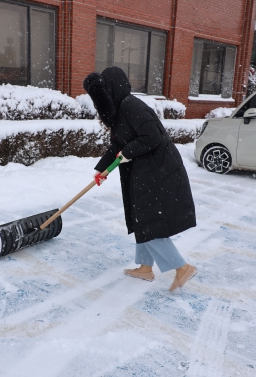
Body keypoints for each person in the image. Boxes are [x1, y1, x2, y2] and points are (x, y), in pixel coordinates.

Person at [83, 66, 197, 292]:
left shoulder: (131, 106)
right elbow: (117, 146)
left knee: (149, 222)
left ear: (112, 89)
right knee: (141, 219)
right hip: (144, 172)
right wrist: (103, 170)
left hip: (158, 172)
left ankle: (182, 268)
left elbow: (152, 136)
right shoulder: (119, 112)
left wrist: (128, 152)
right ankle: (145, 267)